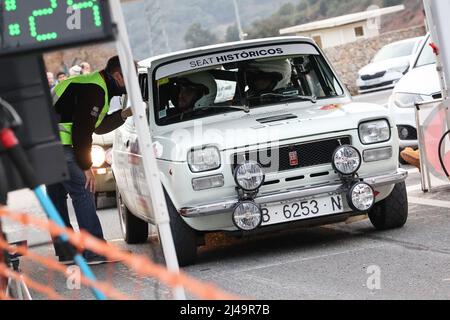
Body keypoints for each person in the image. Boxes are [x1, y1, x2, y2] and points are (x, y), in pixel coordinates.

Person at [47, 56, 133, 265]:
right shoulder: (95, 90)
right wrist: (86, 166)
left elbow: (97, 125)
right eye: (130, 77)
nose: (133, 82)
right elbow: (81, 132)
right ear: (118, 75)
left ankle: (66, 250)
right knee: (84, 190)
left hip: (46, 147)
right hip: (63, 146)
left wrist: (122, 115)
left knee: (56, 196)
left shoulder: (93, 84)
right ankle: (95, 250)